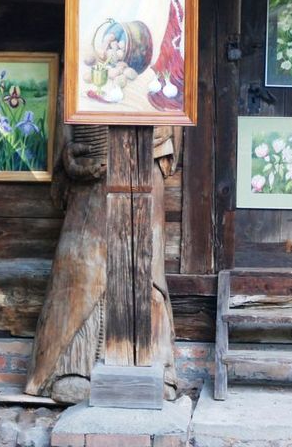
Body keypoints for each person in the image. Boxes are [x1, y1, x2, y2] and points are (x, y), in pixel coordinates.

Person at [24, 84, 180, 404]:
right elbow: (65, 126)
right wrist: (69, 158)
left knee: (145, 268)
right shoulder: (80, 64)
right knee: (80, 266)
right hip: (91, 174)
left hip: (145, 167)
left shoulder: (162, 65)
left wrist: (165, 135)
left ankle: (155, 364)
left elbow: (175, 117)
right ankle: (71, 366)